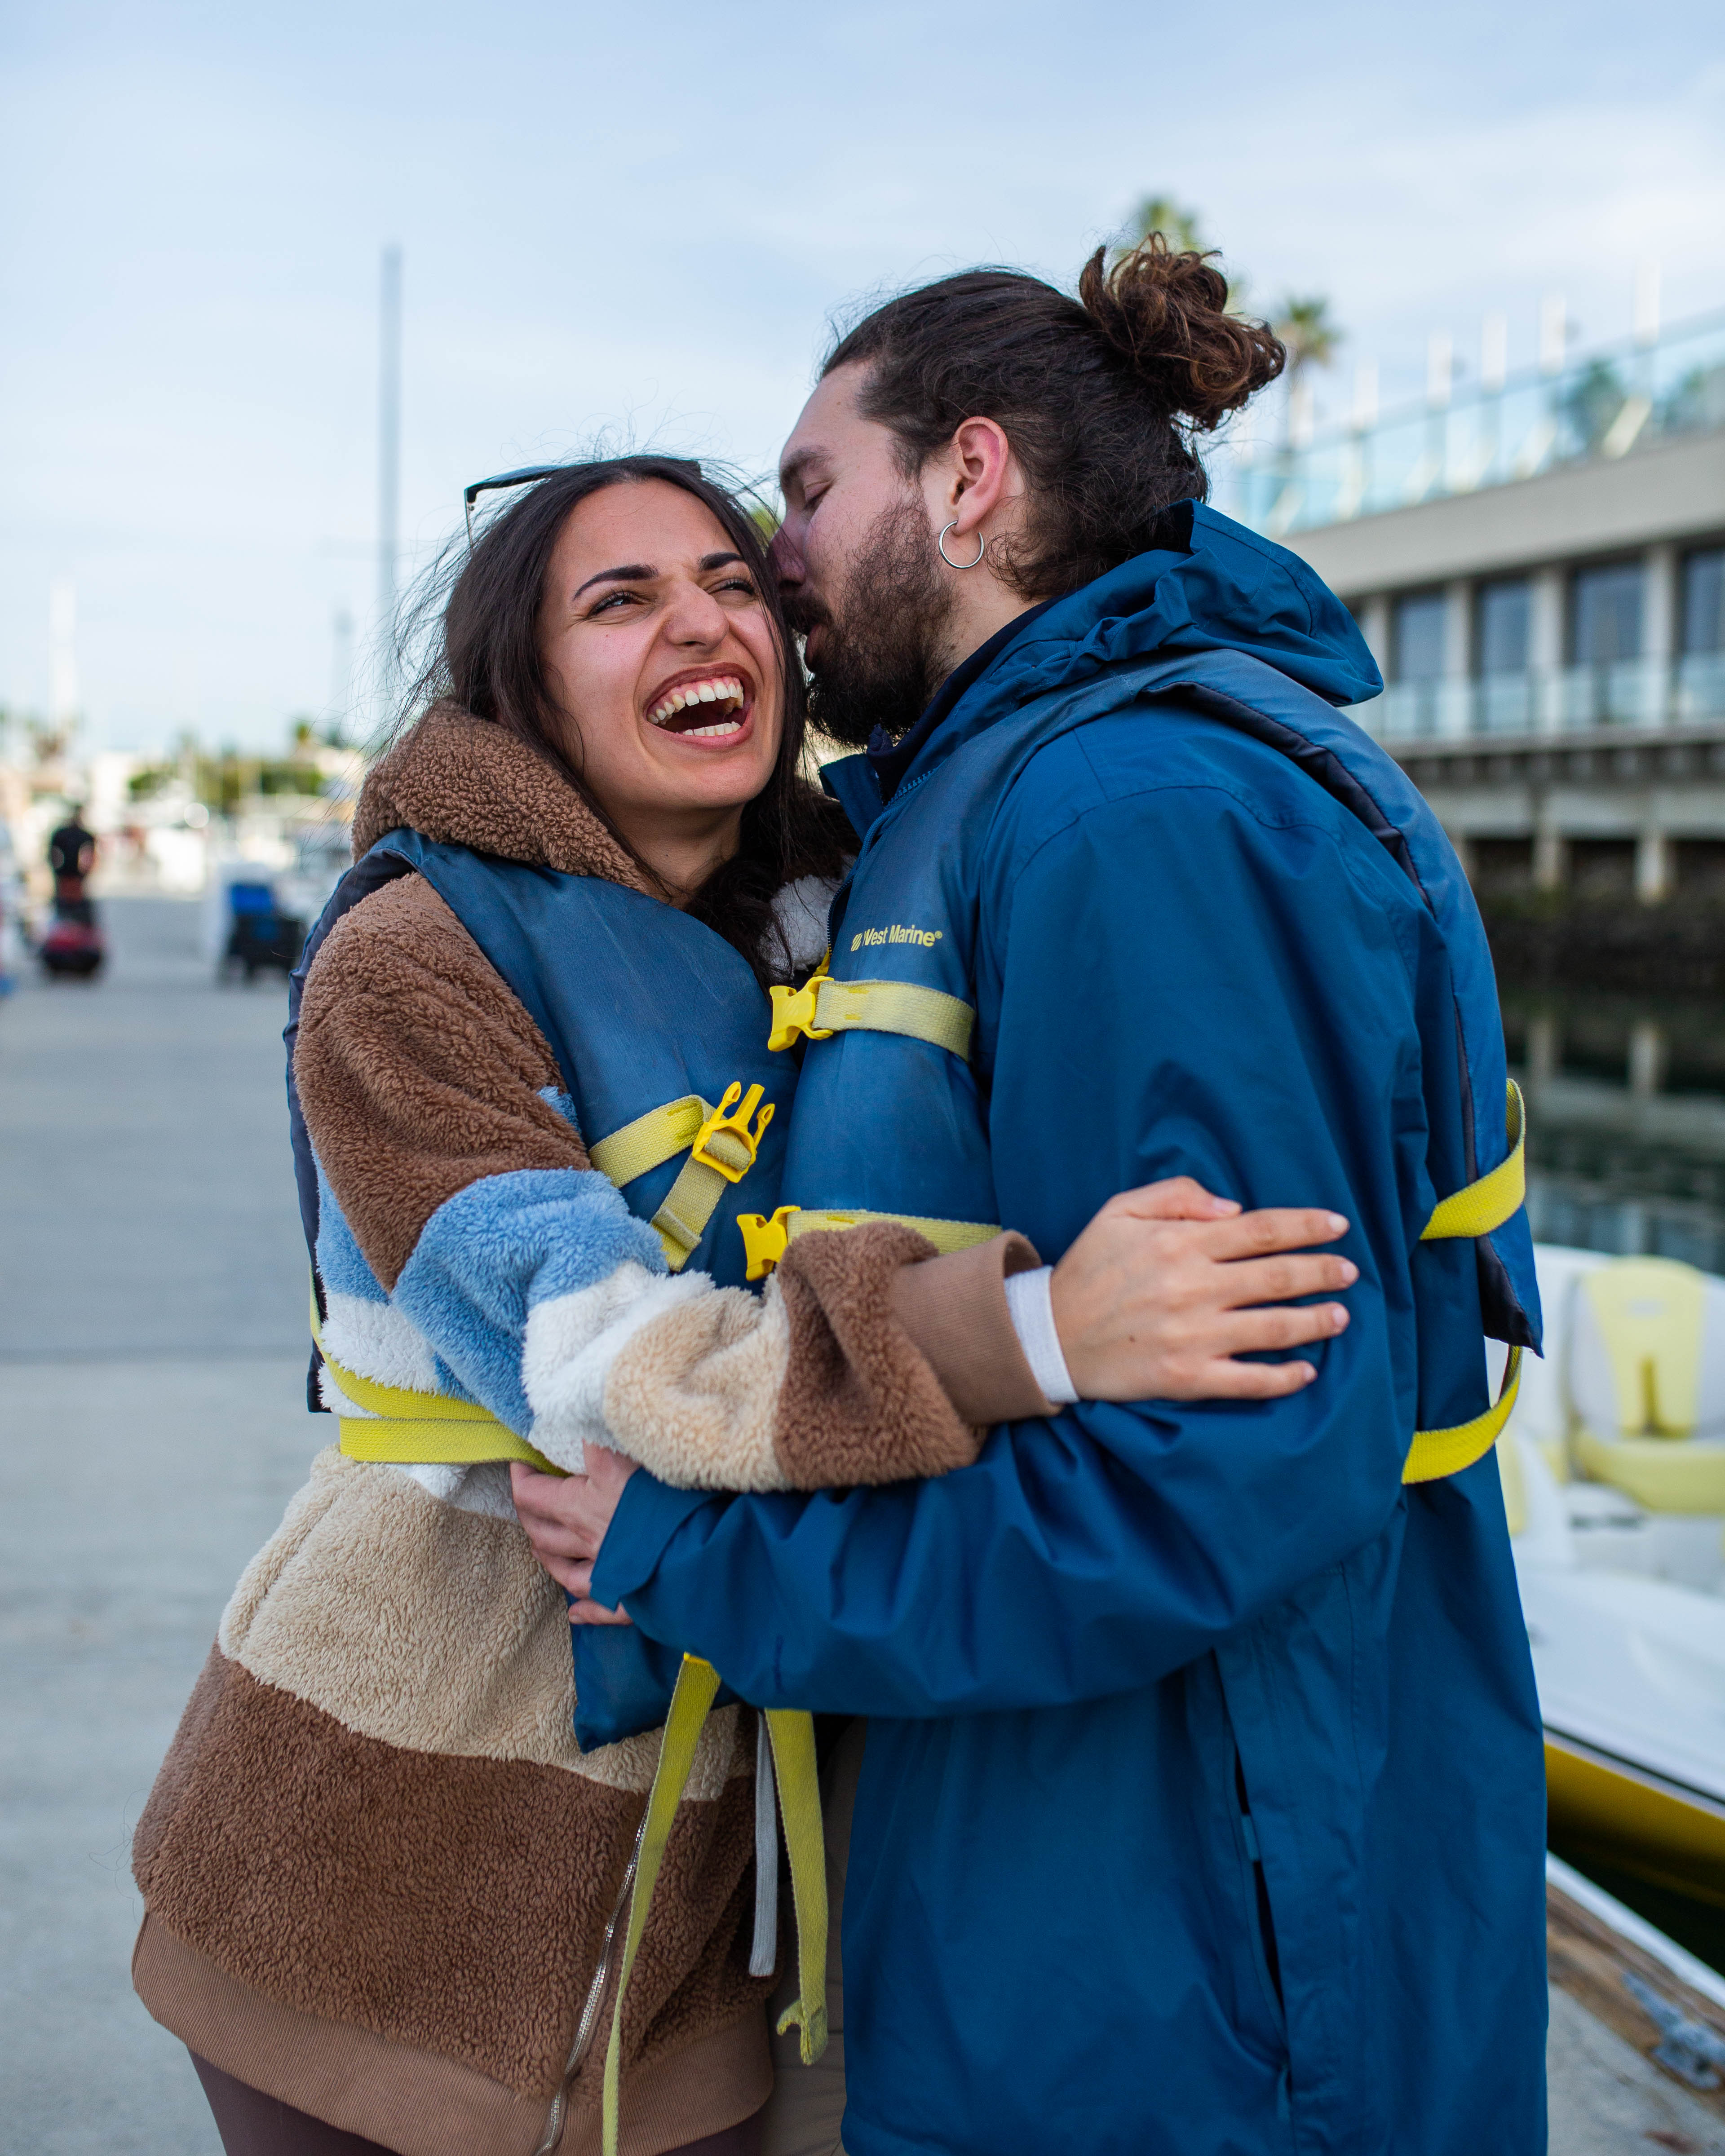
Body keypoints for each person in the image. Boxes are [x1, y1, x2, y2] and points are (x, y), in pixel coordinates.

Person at [131, 454, 1354, 2156]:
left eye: (730, 582)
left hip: (710, 1911)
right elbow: (599, 1365)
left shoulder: (839, 919)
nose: (702, 623)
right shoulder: (408, 959)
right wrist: (1046, 1334)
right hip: (382, 1857)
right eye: (618, 601)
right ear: (520, 680)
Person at [525, 239, 1549, 2156]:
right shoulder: (1003, 786)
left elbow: (1213, 1478)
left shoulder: (1139, 815)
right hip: (1089, 1911)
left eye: (810, 489)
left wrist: (698, 1568)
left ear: (971, 479)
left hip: (1200, 1982)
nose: (778, 554)